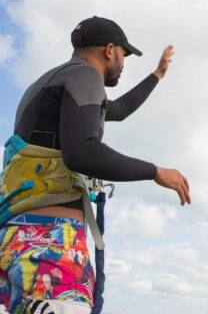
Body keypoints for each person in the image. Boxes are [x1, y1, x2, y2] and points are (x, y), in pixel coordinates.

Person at [0, 16, 191, 314]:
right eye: (124, 55)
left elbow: (119, 109)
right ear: (109, 49)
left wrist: (157, 74)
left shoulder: (47, 83)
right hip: (50, 247)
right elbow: (81, 152)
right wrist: (155, 172)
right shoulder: (85, 76)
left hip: (14, 242)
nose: (124, 63)